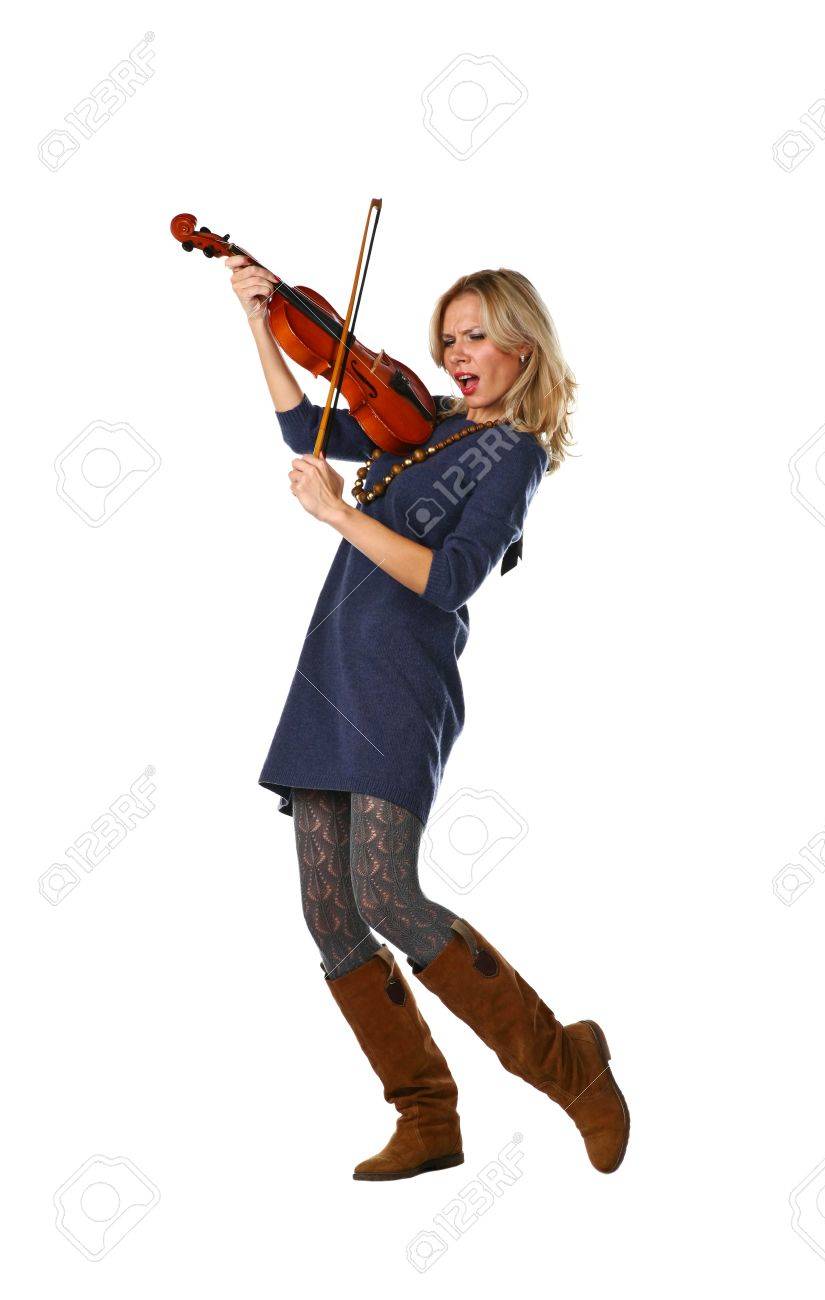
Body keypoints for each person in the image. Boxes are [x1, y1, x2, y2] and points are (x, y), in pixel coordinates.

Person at [226, 253, 629, 1181]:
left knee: (387, 896)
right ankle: (427, 1116)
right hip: (330, 668)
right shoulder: (424, 427)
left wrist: (339, 516)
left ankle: (570, 1066)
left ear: (525, 347)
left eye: (477, 335)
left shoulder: (513, 454)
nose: (457, 353)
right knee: (329, 913)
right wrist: (258, 321)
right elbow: (301, 422)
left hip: (398, 681)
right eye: (449, 338)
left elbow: (448, 582)